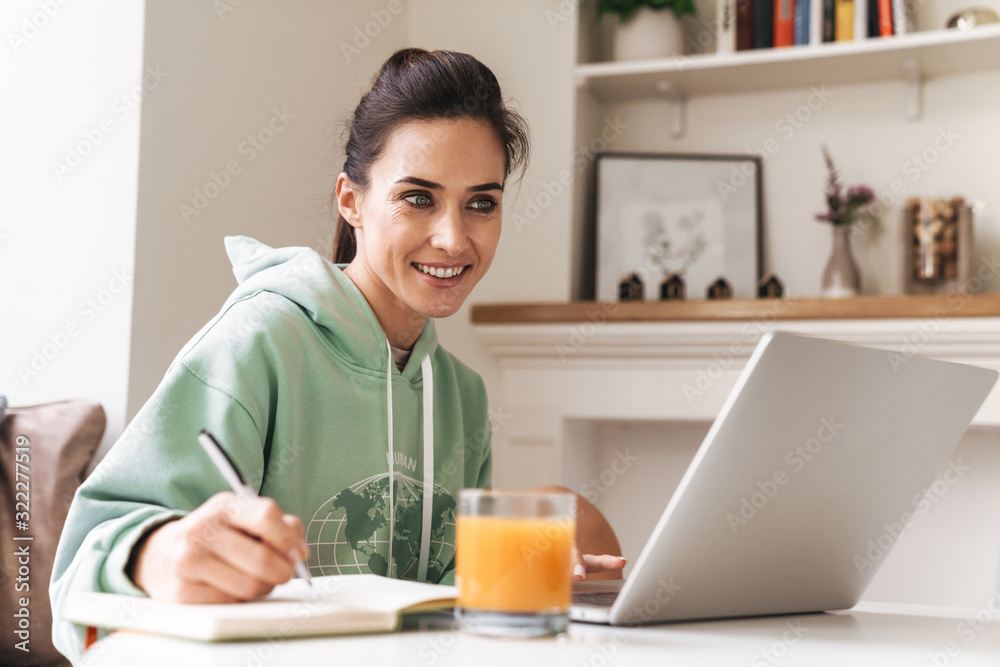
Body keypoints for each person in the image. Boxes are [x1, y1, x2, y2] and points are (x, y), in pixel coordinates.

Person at [50, 48, 624, 661]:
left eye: (481, 202)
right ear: (351, 201)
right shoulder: (258, 342)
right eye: (418, 198)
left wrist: (516, 586)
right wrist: (157, 554)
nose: (454, 239)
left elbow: (437, 611)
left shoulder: (460, 394)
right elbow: (71, 575)